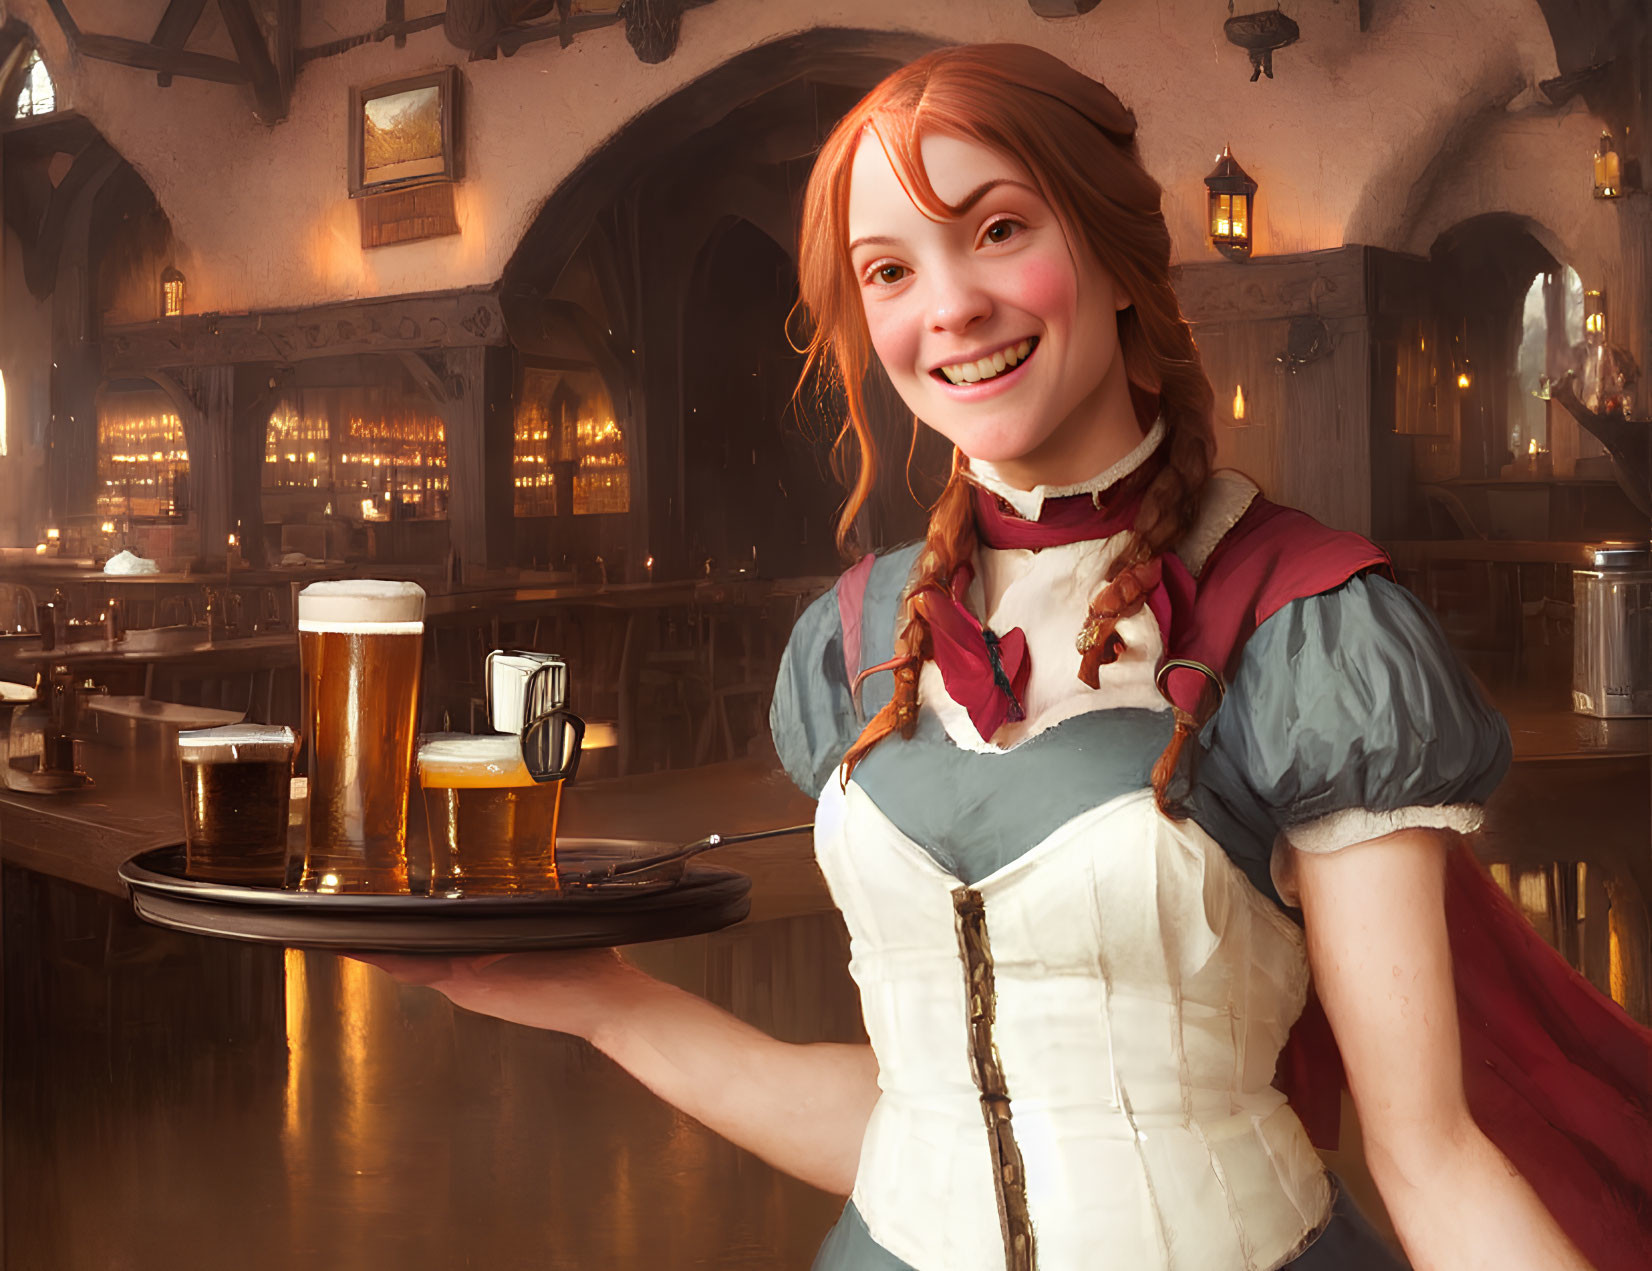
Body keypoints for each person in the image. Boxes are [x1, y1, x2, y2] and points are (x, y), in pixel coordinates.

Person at [363, 44, 1650, 1271]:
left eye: (995, 230)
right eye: (887, 270)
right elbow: (917, 1127)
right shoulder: (856, 641)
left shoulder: (1302, 617)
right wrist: (606, 1000)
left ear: (1114, 252)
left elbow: (1426, 1156)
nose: (949, 306)